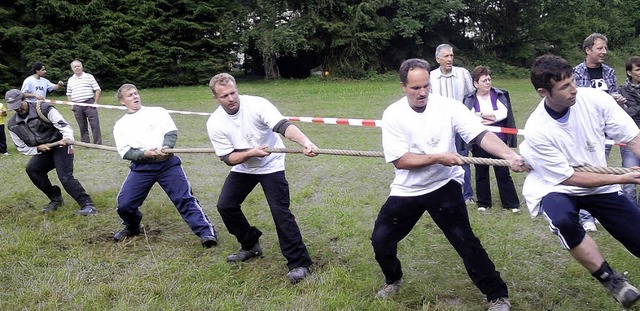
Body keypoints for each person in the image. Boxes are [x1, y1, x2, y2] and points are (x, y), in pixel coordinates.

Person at [371, 58, 527, 311]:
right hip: (408, 188)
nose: (422, 92)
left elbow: (480, 135)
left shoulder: (448, 107)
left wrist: (508, 155)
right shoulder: (393, 114)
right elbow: (400, 161)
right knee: (381, 239)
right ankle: (393, 279)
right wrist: (438, 157)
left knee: (464, 239)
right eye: (415, 88)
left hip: (445, 184)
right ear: (403, 86)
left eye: (426, 86)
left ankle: (497, 296)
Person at [520, 54, 640, 309]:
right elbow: (569, 177)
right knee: (563, 220)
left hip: (601, 184)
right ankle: (611, 280)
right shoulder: (537, 129)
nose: (574, 90)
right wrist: (623, 176)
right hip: (556, 185)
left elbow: (633, 137)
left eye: (573, 81)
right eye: (564, 87)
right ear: (544, 92)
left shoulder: (595, 99)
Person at [207, 73, 316, 283]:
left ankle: (300, 263)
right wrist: (250, 153)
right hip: (244, 166)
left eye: (233, 92)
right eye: (224, 96)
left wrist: (305, 142)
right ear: (216, 98)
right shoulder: (215, 122)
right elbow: (228, 158)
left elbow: (283, 126)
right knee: (226, 205)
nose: (231, 98)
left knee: (280, 212)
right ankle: (250, 245)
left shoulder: (257, 105)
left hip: (271, 164)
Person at [111, 84, 218, 248]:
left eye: (136, 93)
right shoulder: (120, 125)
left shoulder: (157, 112)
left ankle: (206, 233)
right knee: (124, 204)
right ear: (122, 101)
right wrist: (145, 154)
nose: (135, 97)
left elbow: (171, 132)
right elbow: (125, 152)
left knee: (184, 199)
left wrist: (166, 148)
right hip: (142, 168)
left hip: (167, 165)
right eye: (130, 95)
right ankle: (132, 226)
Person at [4, 89, 97, 215]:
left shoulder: (44, 109)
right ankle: (55, 199)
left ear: (24, 99)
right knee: (32, 169)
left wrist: (67, 138)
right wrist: (37, 148)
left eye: (19, 105)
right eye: (14, 107)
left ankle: (87, 205)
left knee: (65, 176)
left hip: (61, 145)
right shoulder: (12, 125)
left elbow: (63, 125)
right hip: (44, 150)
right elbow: (21, 147)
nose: (18, 109)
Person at [572, 33, 625, 232]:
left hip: (605, 131)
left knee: (601, 168)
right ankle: (585, 217)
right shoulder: (575, 72)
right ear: (588, 50)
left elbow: (612, 97)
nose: (604, 52)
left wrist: (616, 99)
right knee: (587, 170)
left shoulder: (609, 72)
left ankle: (599, 213)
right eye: (599, 48)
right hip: (585, 130)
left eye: (605, 48)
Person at [462, 66, 520, 212]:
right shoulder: (469, 98)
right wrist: (486, 116)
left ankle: (511, 204)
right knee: (481, 171)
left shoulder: (499, 95)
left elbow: (503, 113)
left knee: (503, 172)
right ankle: (483, 203)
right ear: (476, 83)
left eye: (489, 79)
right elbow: (469, 117)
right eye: (484, 80)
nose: (488, 82)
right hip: (478, 141)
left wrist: (482, 116)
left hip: (499, 140)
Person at [430, 43, 476, 206]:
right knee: (440, 157)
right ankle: (440, 192)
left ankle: (467, 194)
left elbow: (471, 96)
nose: (450, 59)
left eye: (451, 56)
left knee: (462, 158)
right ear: (438, 59)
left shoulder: (463, 74)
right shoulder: (431, 77)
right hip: (440, 124)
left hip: (460, 124)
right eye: (446, 56)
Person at [618, 56, 640, 208]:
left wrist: (631, 109)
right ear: (629, 72)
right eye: (638, 69)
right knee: (630, 179)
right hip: (630, 139)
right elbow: (621, 116)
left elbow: (630, 111)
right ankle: (631, 213)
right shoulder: (621, 91)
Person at [66, 60, 102, 145]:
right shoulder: (70, 80)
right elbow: (68, 94)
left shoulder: (89, 77)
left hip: (89, 103)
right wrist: (71, 104)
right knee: (82, 125)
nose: (77, 68)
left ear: (82, 66)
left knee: (95, 124)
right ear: (72, 69)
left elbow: (97, 89)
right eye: (75, 67)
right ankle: (85, 143)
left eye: (78, 66)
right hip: (77, 105)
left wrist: (96, 101)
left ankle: (97, 143)